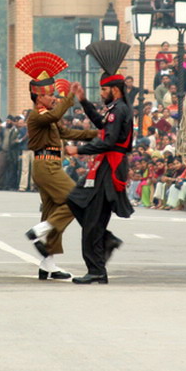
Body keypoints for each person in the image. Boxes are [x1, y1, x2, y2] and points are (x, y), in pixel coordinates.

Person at [16, 52, 98, 279]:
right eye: (50, 95)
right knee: (78, 199)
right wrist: (70, 98)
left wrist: (96, 134)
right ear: (38, 97)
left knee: (52, 210)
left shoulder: (49, 117)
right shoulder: (36, 116)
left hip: (51, 166)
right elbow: (54, 118)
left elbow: (68, 132)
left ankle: (47, 264)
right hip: (46, 166)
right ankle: (40, 231)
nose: (54, 98)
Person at [65, 40, 134, 284]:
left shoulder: (119, 110)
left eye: (103, 90)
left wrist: (79, 150)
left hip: (109, 166)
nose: (101, 94)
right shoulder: (116, 107)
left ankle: (96, 268)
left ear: (114, 90)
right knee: (76, 201)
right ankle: (106, 242)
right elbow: (102, 125)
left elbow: (109, 140)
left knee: (92, 219)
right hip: (104, 165)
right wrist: (83, 101)